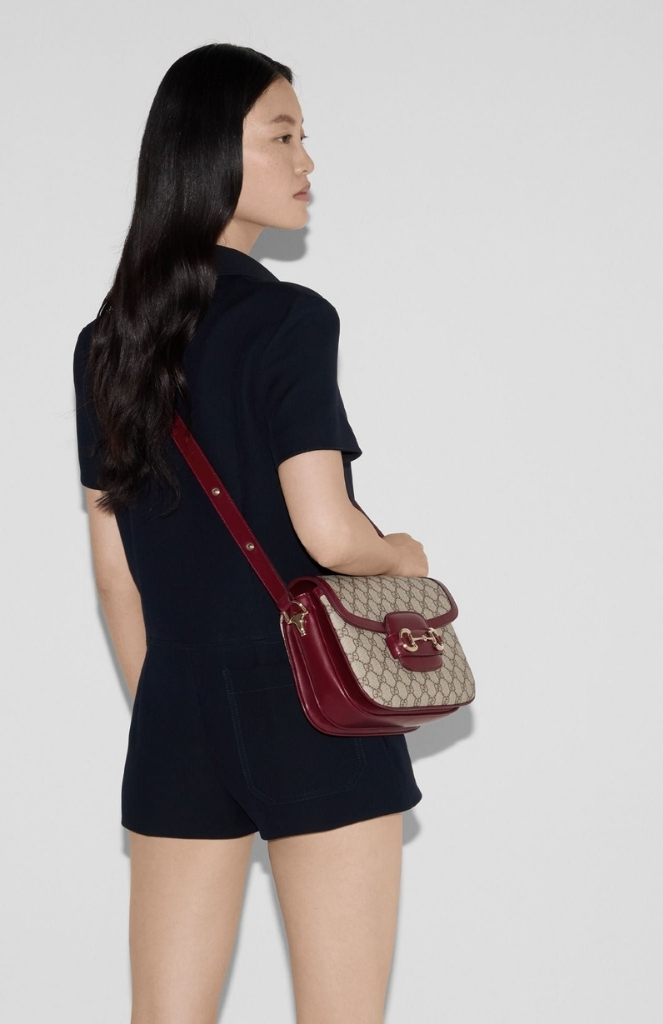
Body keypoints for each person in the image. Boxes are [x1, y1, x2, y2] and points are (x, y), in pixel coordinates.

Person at [73, 42, 430, 1024]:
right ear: (207, 154)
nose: (306, 159)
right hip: (310, 706)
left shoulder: (106, 344)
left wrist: (176, 710)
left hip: (175, 710)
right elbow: (328, 531)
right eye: (281, 136)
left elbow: (115, 573)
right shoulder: (288, 321)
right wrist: (403, 555)